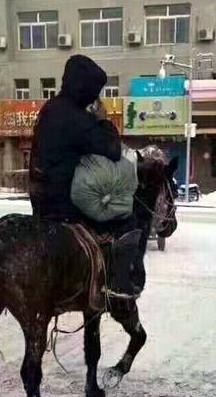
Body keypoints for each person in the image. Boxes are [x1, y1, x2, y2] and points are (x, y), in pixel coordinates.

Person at [30, 54, 140, 298]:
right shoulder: (77, 118)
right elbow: (112, 150)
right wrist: (103, 121)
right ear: (85, 88)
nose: (95, 97)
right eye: (94, 92)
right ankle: (118, 283)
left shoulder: (50, 108)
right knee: (125, 217)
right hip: (67, 201)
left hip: (41, 199)